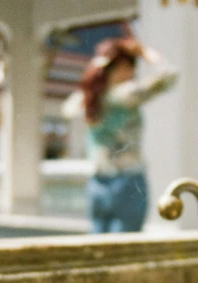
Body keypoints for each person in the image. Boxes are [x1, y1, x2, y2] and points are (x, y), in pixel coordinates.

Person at [63, 38, 177, 233]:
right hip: (127, 182)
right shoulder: (124, 95)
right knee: (124, 250)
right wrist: (144, 51)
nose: (132, 73)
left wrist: (99, 64)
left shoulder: (87, 100)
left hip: (97, 182)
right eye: (129, 67)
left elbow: (67, 110)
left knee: (98, 250)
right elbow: (169, 75)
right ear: (119, 67)